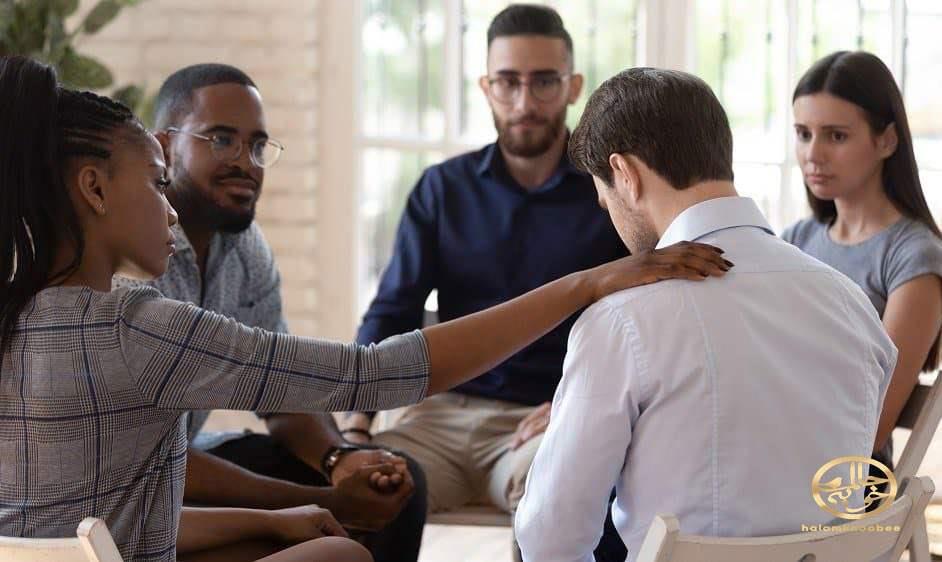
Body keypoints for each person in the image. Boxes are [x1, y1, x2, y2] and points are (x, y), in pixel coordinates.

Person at [0, 55, 730, 562]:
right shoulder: (136, 325)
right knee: (341, 557)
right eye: (155, 183)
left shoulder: (21, 310)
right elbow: (374, 372)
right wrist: (587, 284)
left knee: (326, 527)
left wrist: (289, 506)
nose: (165, 205)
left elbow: (112, 525)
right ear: (94, 189)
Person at [514, 67, 898, 562]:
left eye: (604, 197)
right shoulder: (853, 306)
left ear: (625, 175)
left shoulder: (622, 321)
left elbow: (550, 537)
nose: (608, 213)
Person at [117, 63, 427, 562]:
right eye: (222, 140)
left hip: (190, 459)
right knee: (331, 527)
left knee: (393, 486)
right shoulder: (127, 254)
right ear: (165, 147)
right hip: (133, 494)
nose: (246, 162)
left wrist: (338, 460)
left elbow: (280, 391)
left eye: (257, 145)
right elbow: (148, 461)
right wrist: (324, 501)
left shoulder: (244, 248)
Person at [346, 5, 627, 545]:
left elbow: (646, 317)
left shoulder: (610, 194)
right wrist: (357, 422)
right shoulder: (442, 189)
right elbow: (393, 310)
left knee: (563, 493)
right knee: (368, 490)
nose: (524, 102)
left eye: (544, 82)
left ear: (572, 87)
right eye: (508, 82)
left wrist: (582, 404)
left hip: (547, 417)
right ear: (486, 87)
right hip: (440, 416)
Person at [783, 51, 942, 482]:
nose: (813, 154)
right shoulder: (795, 240)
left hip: (846, 485)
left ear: (886, 140)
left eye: (836, 136)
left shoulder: (914, 256)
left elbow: (870, 428)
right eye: (803, 134)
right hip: (776, 461)